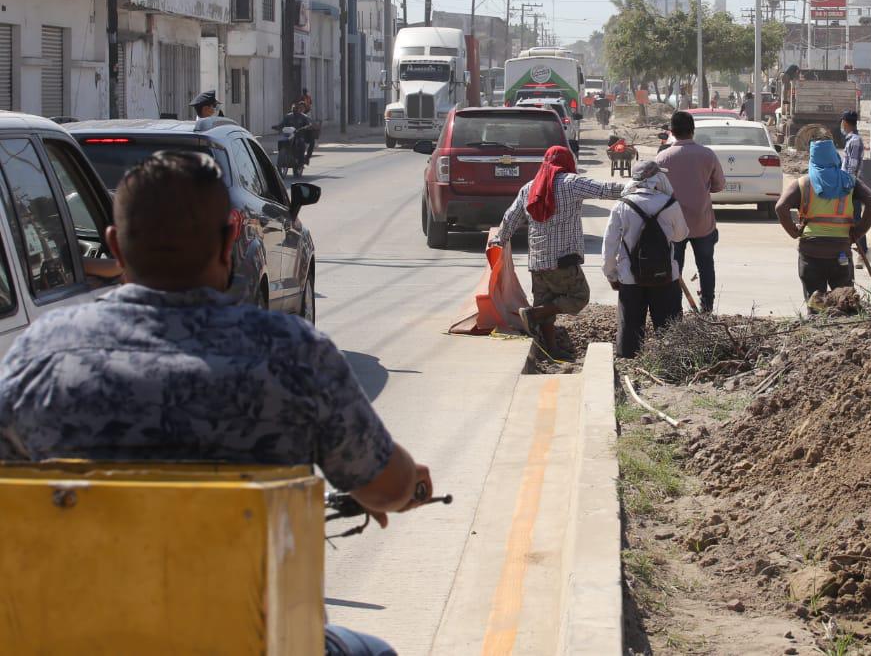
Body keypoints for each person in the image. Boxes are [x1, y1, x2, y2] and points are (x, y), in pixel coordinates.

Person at [0, 152, 430, 649]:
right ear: (229, 242)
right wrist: (407, 483)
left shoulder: (41, 353)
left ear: (116, 247)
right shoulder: (292, 353)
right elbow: (384, 486)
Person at [492, 145, 623, 359]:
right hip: (563, 260)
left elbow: (511, 217)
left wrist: (499, 239)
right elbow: (606, 189)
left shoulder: (529, 188)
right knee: (579, 297)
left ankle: (551, 349)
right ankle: (534, 314)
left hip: (537, 261)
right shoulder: (571, 183)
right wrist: (639, 186)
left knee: (546, 303)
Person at [602, 161, 689, 359]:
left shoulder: (621, 206)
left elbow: (609, 245)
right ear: (658, 179)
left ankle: (629, 363)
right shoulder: (669, 204)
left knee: (630, 327)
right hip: (666, 276)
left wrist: (611, 274)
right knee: (669, 327)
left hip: (630, 277)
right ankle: (670, 362)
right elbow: (681, 236)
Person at [776, 139, 871, 299]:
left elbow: (780, 207)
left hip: (811, 252)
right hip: (840, 253)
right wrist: (858, 232)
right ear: (834, 157)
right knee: (844, 303)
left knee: (815, 303)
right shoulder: (849, 181)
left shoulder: (803, 184)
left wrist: (794, 232)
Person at [655, 111, 725, 313]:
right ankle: (707, 309)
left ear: (672, 131)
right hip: (702, 223)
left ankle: (674, 310)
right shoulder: (707, 155)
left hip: (673, 226)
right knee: (706, 266)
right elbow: (719, 185)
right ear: (693, 131)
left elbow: (655, 191)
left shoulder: (662, 158)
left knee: (675, 268)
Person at [839, 109, 868, 256]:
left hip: (852, 186)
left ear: (845, 122)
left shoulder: (855, 141)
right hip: (849, 184)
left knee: (856, 217)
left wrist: (848, 186)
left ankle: (862, 248)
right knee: (850, 217)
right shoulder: (851, 140)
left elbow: (853, 167)